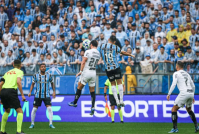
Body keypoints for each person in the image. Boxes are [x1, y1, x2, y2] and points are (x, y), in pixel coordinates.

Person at [98, 35, 134, 108]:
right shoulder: (115, 47)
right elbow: (123, 52)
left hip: (108, 68)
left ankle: (117, 102)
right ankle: (121, 100)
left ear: (108, 39)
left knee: (113, 84)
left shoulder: (102, 46)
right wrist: (130, 54)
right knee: (119, 83)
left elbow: (98, 53)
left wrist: (100, 59)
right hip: (115, 67)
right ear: (114, 42)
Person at [68, 40, 100, 115]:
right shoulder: (98, 53)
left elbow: (83, 62)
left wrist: (81, 71)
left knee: (79, 86)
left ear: (91, 44)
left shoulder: (88, 52)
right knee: (92, 91)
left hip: (86, 71)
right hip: (93, 72)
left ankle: (75, 102)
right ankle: (92, 107)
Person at [167, 61, 199, 133]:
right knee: (189, 109)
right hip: (191, 92)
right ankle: (196, 126)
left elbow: (174, 83)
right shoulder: (187, 74)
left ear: (177, 67)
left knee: (174, 109)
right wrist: (192, 95)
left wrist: (169, 94)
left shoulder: (176, 73)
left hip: (184, 93)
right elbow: (193, 86)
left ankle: (175, 128)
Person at [0, 60, 26, 134]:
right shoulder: (20, 72)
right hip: (11, 91)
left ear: (13, 64)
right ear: (20, 65)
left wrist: (1, 97)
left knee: (7, 111)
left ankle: (2, 131)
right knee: (20, 111)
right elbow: (18, 82)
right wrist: (23, 95)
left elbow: (0, 84)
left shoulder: (7, 73)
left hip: (3, 91)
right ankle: (19, 131)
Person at [28, 63, 56, 129]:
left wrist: (54, 91)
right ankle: (32, 124)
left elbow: (52, 83)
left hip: (47, 94)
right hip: (38, 95)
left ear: (45, 68)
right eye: (42, 67)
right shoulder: (36, 75)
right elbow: (32, 84)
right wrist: (30, 92)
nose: (43, 68)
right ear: (40, 68)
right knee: (34, 109)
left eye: (44, 67)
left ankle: (51, 124)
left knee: (49, 108)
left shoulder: (49, 75)